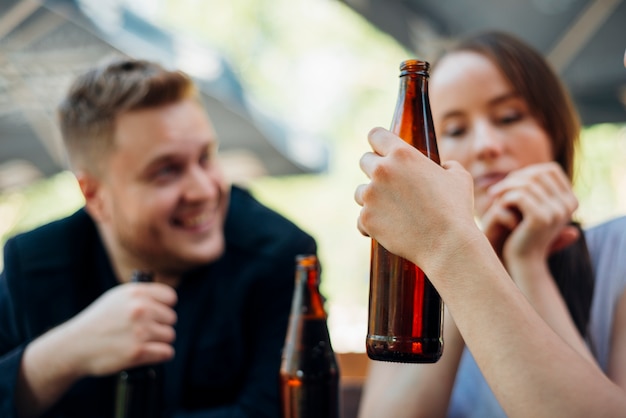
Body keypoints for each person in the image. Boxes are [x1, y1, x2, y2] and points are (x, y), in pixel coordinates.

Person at [0, 58, 317, 417]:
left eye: (206, 157)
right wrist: (62, 353)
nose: (203, 190)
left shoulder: (282, 255)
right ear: (94, 195)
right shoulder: (31, 266)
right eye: (166, 171)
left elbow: (279, 411)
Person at [355, 32, 626, 417]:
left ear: (556, 131)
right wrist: (473, 254)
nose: (485, 145)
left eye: (509, 117)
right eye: (454, 130)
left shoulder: (620, 247)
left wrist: (527, 263)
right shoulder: (423, 269)